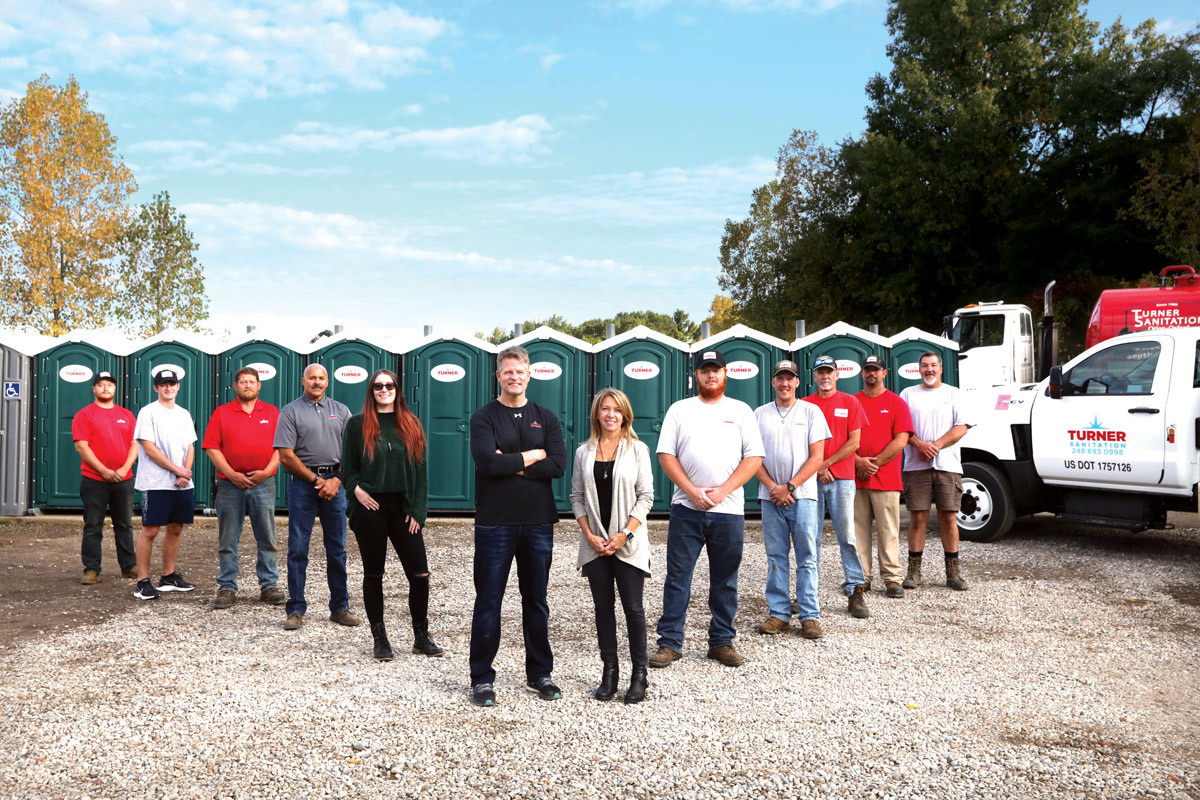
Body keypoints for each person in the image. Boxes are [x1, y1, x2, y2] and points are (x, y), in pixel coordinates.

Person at [650, 349, 764, 670]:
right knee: (678, 578)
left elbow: (754, 458)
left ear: (725, 374)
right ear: (696, 375)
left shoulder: (741, 411)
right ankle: (670, 642)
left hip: (729, 511)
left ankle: (721, 641)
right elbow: (666, 455)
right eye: (705, 370)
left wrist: (724, 490)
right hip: (686, 509)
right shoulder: (680, 410)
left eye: (716, 370)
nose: (711, 375)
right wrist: (691, 491)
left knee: (725, 579)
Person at [468, 346, 566, 707]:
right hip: (495, 523)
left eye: (520, 371)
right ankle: (481, 678)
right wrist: (533, 456)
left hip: (538, 522)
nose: (514, 377)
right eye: (508, 371)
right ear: (498, 376)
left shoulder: (546, 417)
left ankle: (540, 673)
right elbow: (487, 464)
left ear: (529, 374)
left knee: (536, 601)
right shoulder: (484, 417)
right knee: (488, 601)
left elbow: (558, 465)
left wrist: (510, 463)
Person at [342, 369, 442, 661]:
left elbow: (421, 472)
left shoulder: (411, 423)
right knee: (374, 574)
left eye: (389, 385)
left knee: (420, 574)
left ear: (397, 390)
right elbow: (348, 468)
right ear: (371, 391)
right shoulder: (357, 424)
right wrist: (357, 492)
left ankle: (421, 637)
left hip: (403, 508)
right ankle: (380, 639)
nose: (384, 390)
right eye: (378, 386)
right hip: (370, 507)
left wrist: (418, 511)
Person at [570, 388, 654, 704]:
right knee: (603, 609)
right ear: (597, 413)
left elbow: (646, 497)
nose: (611, 415)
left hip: (628, 543)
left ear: (625, 415)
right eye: (605, 409)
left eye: (617, 410)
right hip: (595, 544)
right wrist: (589, 534)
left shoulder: (638, 450)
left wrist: (625, 535)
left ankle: (639, 675)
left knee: (633, 609)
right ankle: (609, 673)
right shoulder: (583, 452)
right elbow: (576, 497)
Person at [275, 364, 362, 630]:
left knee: (337, 549)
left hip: (336, 485)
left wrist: (336, 480)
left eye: (321, 378)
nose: (317, 382)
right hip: (303, 485)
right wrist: (316, 480)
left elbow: (353, 451)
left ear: (327, 382)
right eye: (312, 378)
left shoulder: (341, 411)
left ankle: (340, 608)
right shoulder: (290, 411)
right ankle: (295, 609)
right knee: (297, 550)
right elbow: (285, 455)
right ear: (303, 381)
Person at [753, 360, 831, 639]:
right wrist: (774, 487)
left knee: (807, 557)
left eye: (790, 378)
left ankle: (810, 616)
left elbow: (817, 457)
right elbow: (752, 457)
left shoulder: (811, 412)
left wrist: (790, 486)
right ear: (773, 382)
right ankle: (778, 614)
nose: (785, 383)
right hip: (770, 497)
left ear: (797, 382)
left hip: (804, 497)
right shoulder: (759, 414)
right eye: (780, 378)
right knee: (776, 557)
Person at [202, 366, 283, 609]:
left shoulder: (272, 412)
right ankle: (227, 587)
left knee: (267, 537)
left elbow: (282, 447)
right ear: (235, 386)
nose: (248, 385)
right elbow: (212, 448)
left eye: (252, 382)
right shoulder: (222, 413)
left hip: (264, 484)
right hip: (229, 485)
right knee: (228, 539)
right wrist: (232, 474)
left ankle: (269, 586)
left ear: (259, 386)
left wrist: (266, 472)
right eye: (243, 382)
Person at [899, 352, 973, 591]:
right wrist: (920, 445)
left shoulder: (954, 394)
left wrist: (936, 446)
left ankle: (953, 573)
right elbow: (901, 428)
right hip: (916, 465)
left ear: (940, 368)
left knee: (948, 517)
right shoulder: (908, 394)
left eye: (933, 365)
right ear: (919, 369)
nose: (929, 369)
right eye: (924, 366)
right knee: (918, 518)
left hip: (947, 465)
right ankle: (913, 571)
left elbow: (962, 427)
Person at [805, 355, 870, 619]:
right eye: (820, 372)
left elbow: (855, 442)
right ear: (814, 376)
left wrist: (827, 464)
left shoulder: (850, 402)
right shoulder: (805, 405)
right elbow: (800, 442)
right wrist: (817, 469)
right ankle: (808, 591)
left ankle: (855, 588)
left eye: (829, 372)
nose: (825, 376)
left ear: (837, 375)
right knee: (810, 536)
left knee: (847, 536)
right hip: (811, 480)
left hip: (842, 478)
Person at [132, 369, 197, 600]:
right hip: (155, 482)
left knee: (176, 527)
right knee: (150, 530)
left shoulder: (184, 414)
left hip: (181, 483)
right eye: (163, 384)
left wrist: (185, 473)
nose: (168, 388)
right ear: (156, 388)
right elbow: (149, 448)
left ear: (178, 387)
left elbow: (190, 446)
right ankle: (142, 581)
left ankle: (168, 577)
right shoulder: (148, 412)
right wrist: (177, 470)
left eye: (172, 384)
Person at [853, 355, 913, 598]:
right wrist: (857, 461)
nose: (871, 373)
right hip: (856, 477)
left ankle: (892, 579)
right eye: (868, 369)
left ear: (884, 373)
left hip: (885, 478)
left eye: (876, 370)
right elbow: (844, 439)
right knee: (858, 530)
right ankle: (861, 578)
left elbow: (901, 440)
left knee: (888, 530)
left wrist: (873, 463)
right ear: (862, 373)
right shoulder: (853, 402)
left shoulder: (896, 402)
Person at [72, 370, 138, 584]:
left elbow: (135, 444)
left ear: (115, 388)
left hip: (124, 479)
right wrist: (103, 470)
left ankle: (129, 567)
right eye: (101, 385)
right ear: (94, 388)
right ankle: (91, 570)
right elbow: (82, 447)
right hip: (94, 479)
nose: (105, 388)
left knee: (124, 525)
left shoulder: (127, 415)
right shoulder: (84, 415)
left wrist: (124, 468)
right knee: (93, 525)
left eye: (109, 385)